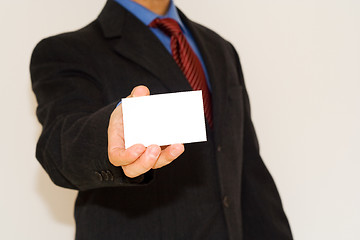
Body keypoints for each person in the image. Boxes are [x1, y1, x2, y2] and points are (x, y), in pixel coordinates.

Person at [30, 0, 293, 239]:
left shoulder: (220, 49)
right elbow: (60, 146)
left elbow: (248, 168)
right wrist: (107, 136)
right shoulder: (66, 51)